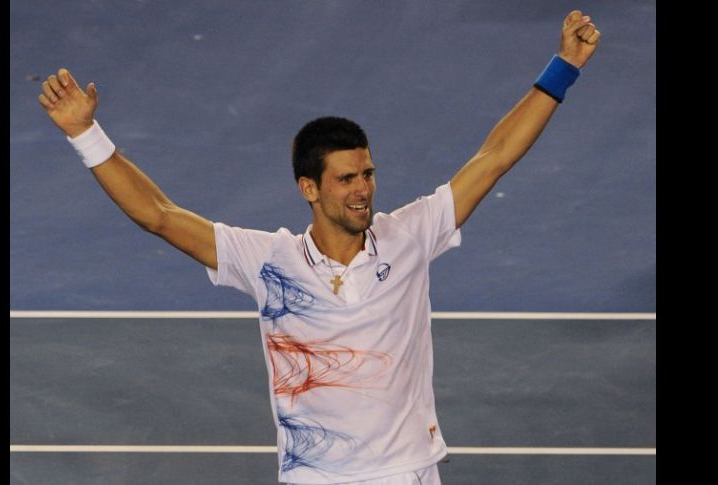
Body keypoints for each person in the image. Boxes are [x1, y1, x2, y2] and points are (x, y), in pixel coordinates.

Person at [37, 10, 600, 485]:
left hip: (408, 470)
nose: (364, 190)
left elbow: (494, 157)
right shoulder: (268, 262)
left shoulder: (411, 234)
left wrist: (564, 69)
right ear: (309, 188)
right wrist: (86, 136)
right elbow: (158, 216)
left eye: (368, 174)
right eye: (347, 179)